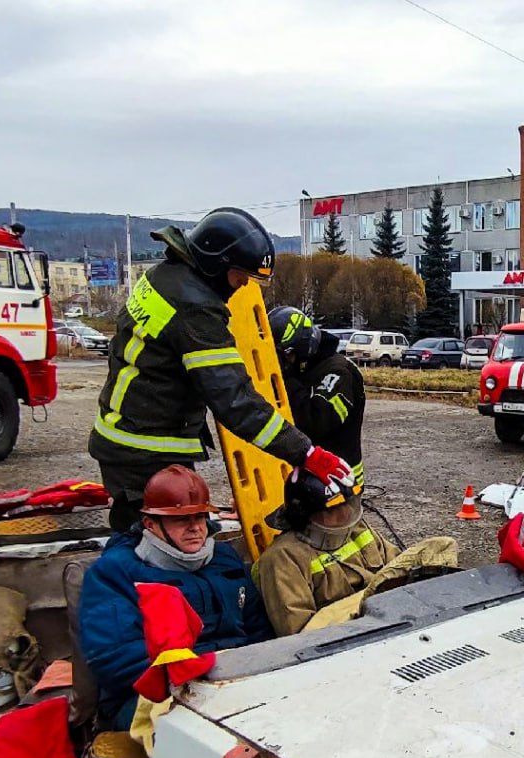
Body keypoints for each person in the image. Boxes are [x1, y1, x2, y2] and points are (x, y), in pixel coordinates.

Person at [88, 207, 353, 532]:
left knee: (162, 538)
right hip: (145, 450)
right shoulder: (195, 308)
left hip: (129, 437)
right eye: (239, 275)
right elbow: (234, 400)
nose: (242, 285)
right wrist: (305, 452)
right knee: (152, 548)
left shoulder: (165, 276)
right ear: (217, 263)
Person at [77, 465, 271, 729]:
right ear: (150, 524)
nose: (195, 528)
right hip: (153, 696)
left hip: (234, 681)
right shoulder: (114, 573)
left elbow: (259, 631)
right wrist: (200, 677)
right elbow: (115, 659)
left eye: (200, 517)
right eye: (181, 520)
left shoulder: (225, 559)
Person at [254, 471, 398, 636]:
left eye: (349, 505)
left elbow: (401, 567)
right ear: (305, 516)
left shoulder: (358, 529)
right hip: (347, 640)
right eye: (333, 511)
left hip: (389, 620)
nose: (345, 514)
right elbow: (300, 634)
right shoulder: (283, 558)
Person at [267, 306, 367, 486]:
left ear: (302, 348)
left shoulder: (339, 373)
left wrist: (287, 380)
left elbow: (317, 422)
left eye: (286, 356)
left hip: (337, 478)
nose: (282, 363)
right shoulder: (306, 368)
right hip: (309, 477)